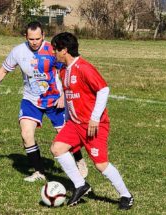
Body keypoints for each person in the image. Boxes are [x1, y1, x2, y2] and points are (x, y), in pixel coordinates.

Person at [0, 21, 88, 182]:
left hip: (54, 99)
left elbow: (68, 70)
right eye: (31, 39)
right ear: (26, 37)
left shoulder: (52, 51)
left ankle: (79, 159)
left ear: (43, 36)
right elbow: (3, 70)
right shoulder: (18, 51)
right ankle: (39, 172)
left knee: (65, 136)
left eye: (38, 38)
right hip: (31, 100)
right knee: (26, 134)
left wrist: (64, 96)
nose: (35, 42)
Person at [50, 32, 134, 209]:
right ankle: (80, 184)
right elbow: (70, 96)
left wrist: (95, 118)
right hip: (74, 124)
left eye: (55, 49)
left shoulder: (84, 68)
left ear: (64, 50)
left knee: (101, 165)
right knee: (57, 148)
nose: (53, 52)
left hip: (93, 125)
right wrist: (67, 117)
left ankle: (126, 195)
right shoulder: (64, 70)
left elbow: (103, 90)